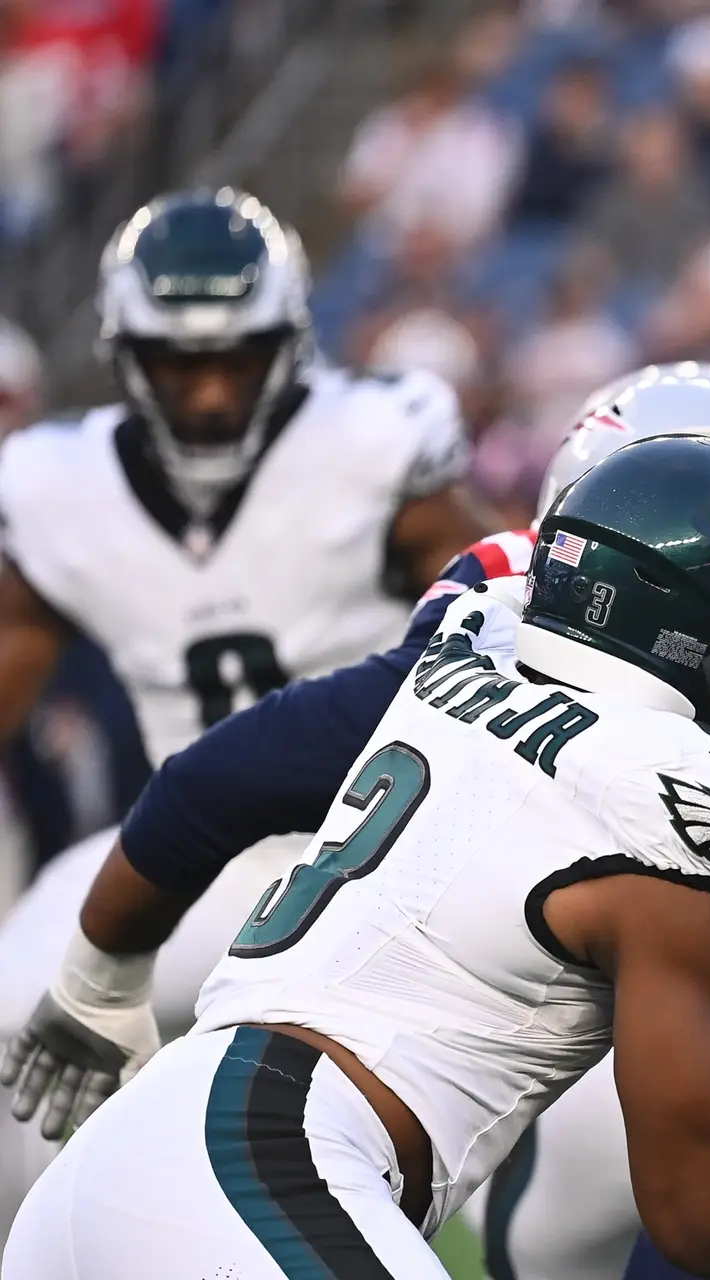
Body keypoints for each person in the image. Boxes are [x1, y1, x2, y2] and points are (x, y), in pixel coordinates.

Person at [0, 433, 710, 1280]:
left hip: (118, 1170)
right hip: (262, 1168)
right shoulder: (680, 793)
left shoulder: (461, 667)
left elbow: (600, 924)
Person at [0, 187, 491, 1231]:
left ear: (290, 343)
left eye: (238, 357)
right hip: (188, 844)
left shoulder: (375, 439)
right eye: (181, 363)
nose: (214, 394)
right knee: (15, 1009)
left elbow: (495, 609)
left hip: (382, 841)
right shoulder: (55, 484)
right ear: (128, 354)